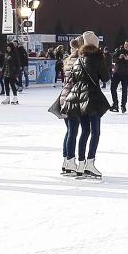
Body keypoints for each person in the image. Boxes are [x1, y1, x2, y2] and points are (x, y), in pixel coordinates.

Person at [61, 31, 110, 178]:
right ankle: (90, 163)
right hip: (92, 98)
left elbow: (74, 80)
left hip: (78, 99)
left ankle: (80, 164)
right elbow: (105, 77)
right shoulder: (97, 58)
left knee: (84, 131)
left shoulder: (78, 59)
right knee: (95, 132)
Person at [57, 37, 85, 176]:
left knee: (69, 131)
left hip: (65, 97)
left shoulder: (69, 59)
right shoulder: (78, 60)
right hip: (72, 98)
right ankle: (70, 161)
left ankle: (66, 161)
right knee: (73, 131)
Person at [111, 42, 128, 112]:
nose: (126, 46)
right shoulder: (119, 51)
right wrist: (119, 58)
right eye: (125, 44)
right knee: (112, 88)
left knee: (124, 90)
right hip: (117, 73)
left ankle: (123, 105)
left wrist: (127, 59)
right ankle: (115, 104)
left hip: (125, 74)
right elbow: (113, 59)